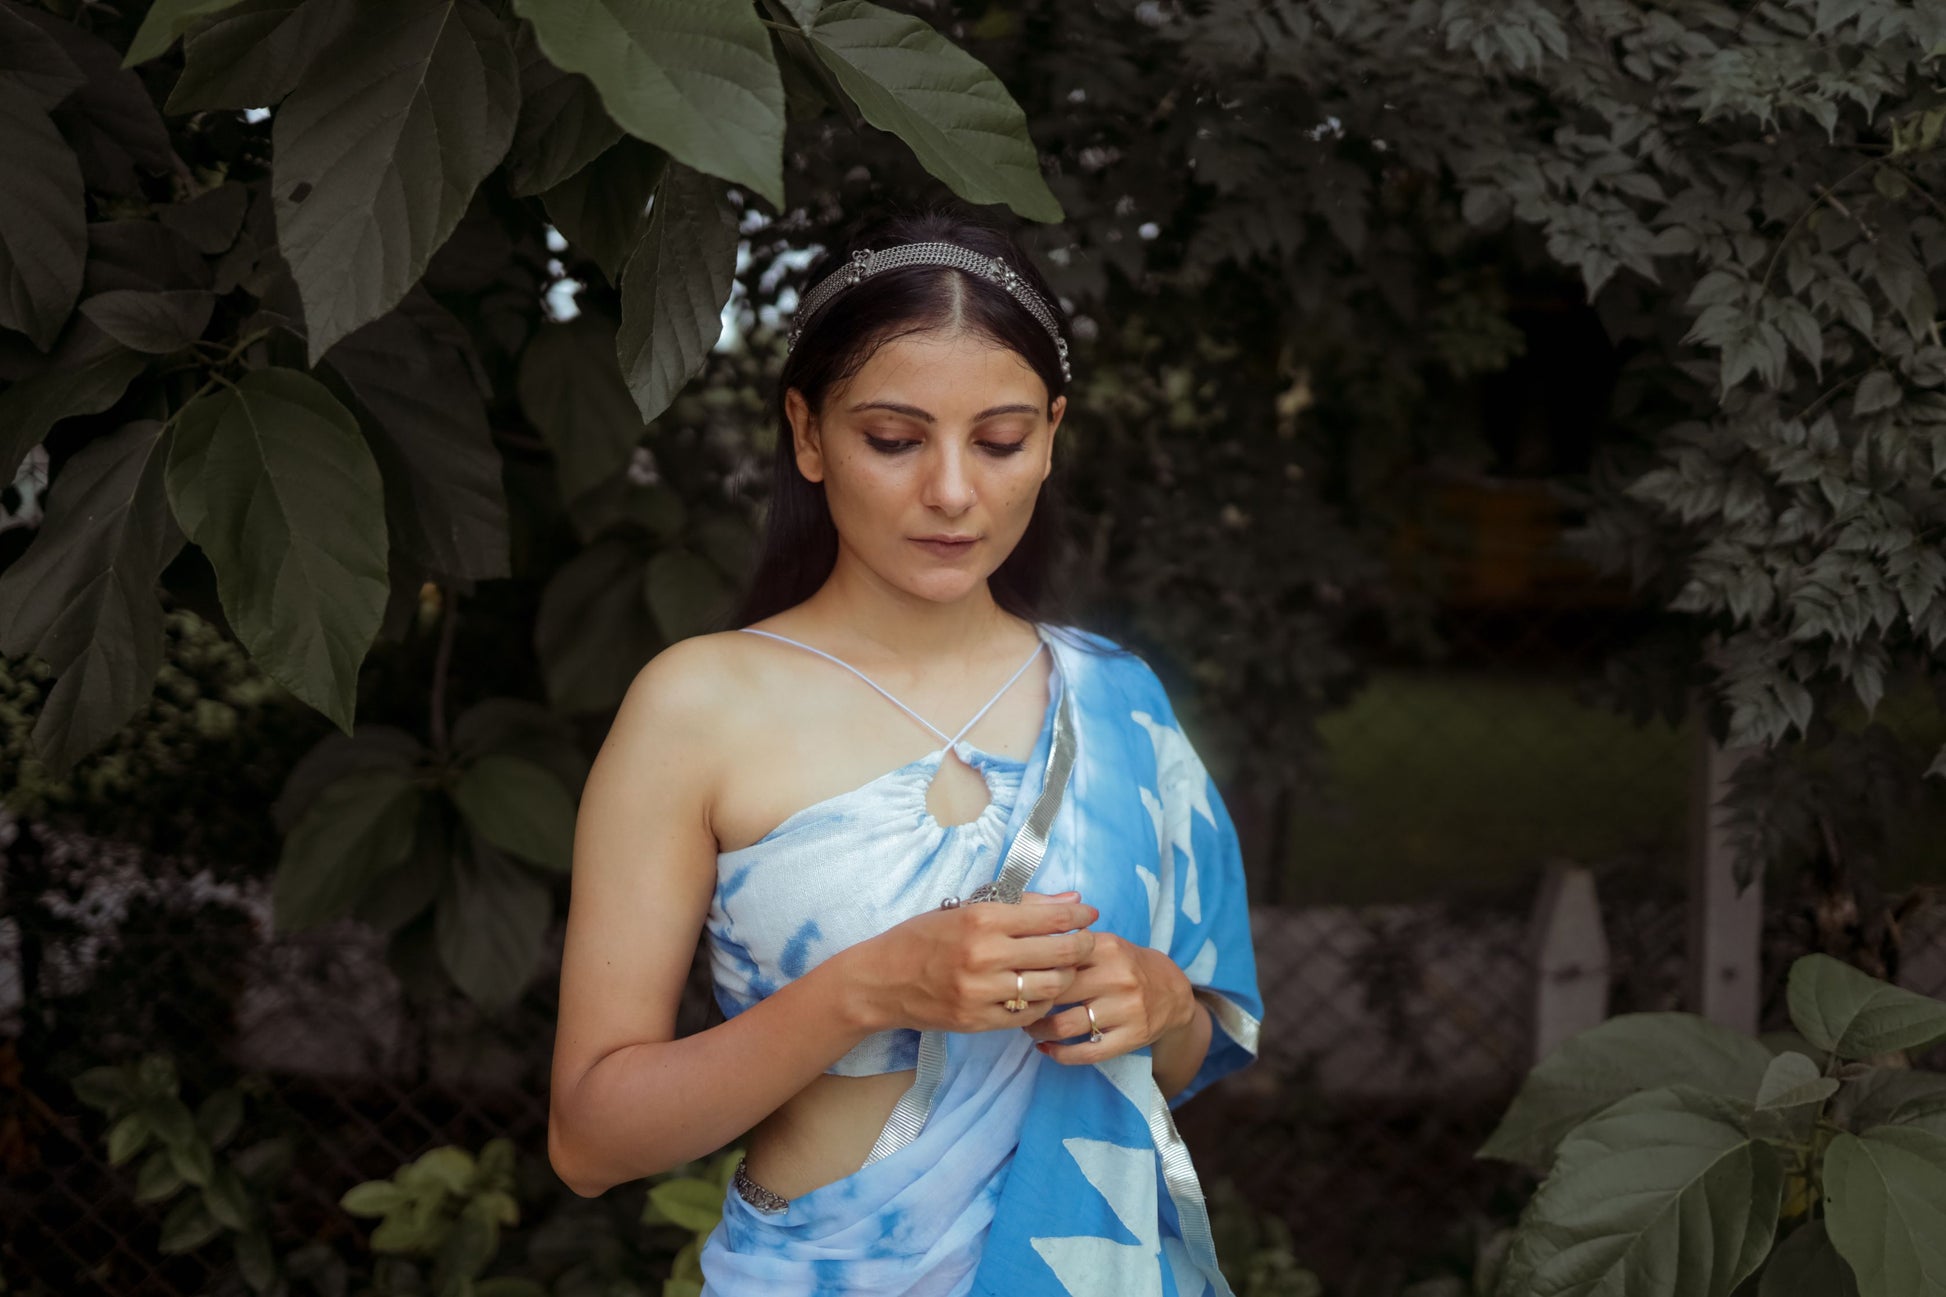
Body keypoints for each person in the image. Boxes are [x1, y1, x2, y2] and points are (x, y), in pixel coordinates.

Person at [548, 203, 1263, 1296]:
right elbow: (592, 1143)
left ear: (1052, 435)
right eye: (892, 438)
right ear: (806, 434)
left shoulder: (1115, 697)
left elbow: (1189, 1051)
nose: (950, 491)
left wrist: (1160, 1001)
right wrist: (867, 988)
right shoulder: (698, 705)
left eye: (1000, 439)